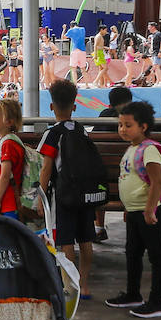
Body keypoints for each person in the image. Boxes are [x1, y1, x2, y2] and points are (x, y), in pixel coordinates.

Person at [105, 102, 161, 319]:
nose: (122, 129)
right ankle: (133, 294)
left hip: (148, 214)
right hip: (134, 212)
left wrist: (150, 210)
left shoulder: (149, 149)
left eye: (128, 125)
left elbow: (156, 182)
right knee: (133, 254)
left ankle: (156, 302)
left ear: (143, 126)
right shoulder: (132, 148)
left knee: (156, 257)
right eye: (120, 125)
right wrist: (129, 208)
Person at [37, 81, 95, 299]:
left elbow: (46, 169)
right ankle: (85, 285)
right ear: (75, 106)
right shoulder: (82, 131)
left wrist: (40, 199)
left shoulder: (52, 135)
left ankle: (71, 287)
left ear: (51, 107)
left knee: (65, 241)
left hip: (63, 196)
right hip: (84, 194)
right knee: (85, 239)